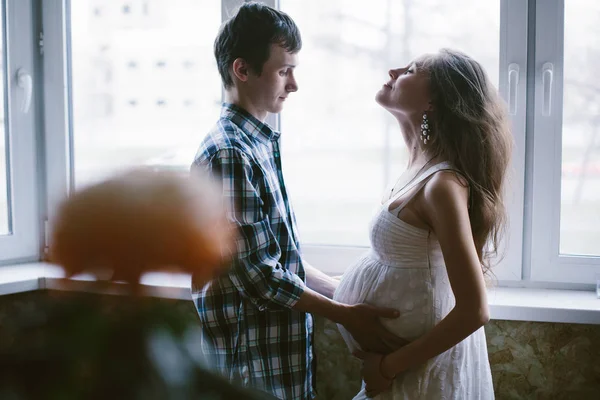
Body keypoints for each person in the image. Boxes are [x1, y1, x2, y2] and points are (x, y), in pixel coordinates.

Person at [190, 3, 405, 400]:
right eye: (283, 70)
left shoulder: (258, 144)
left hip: (278, 357)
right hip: (251, 365)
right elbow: (258, 276)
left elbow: (279, 255)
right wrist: (345, 316)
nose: (293, 85)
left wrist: (343, 292)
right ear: (242, 69)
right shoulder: (229, 154)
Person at [333, 48, 512, 399]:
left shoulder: (442, 186)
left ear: (433, 101)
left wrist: (387, 367)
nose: (394, 69)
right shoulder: (418, 170)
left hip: (420, 373)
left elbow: (474, 310)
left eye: (412, 69)